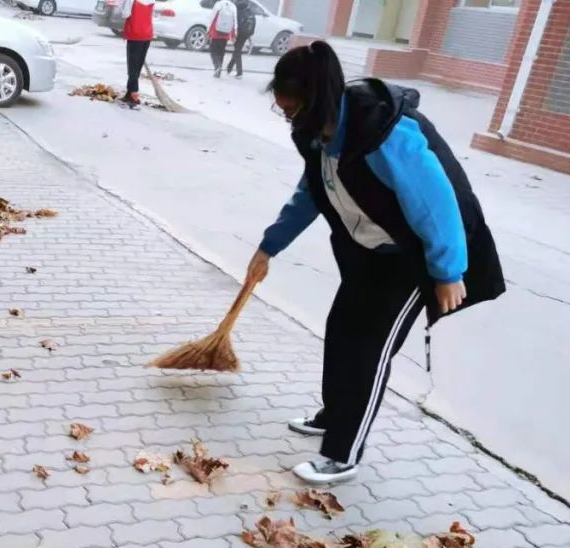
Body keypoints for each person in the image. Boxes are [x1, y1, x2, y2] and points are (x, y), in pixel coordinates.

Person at [248, 41, 504, 486]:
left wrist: (447, 272)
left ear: (315, 100)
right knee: (342, 329)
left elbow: (437, 205)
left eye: (290, 110)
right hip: (369, 254)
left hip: (412, 260)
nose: (287, 118)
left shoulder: (384, 133)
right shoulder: (317, 135)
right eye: (283, 111)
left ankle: (342, 455)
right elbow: (312, 192)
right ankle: (333, 415)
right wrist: (270, 246)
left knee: (371, 350)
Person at [121, 0, 155, 107]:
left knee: (132, 66)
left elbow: (125, 14)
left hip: (135, 34)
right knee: (138, 65)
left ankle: (133, 94)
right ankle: (129, 92)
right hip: (147, 34)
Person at [228, 0, 257, 78]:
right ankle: (229, 68)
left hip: (239, 32)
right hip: (246, 33)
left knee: (237, 51)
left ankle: (239, 72)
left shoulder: (237, 8)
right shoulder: (249, 9)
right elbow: (253, 23)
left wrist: (233, 33)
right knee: (237, 49)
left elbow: (234, 22)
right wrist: (249, 35)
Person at [208, 0, 237, 78]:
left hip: (216, 32)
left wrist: (208, 31)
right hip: (225, 34)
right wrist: (233, 35)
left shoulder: (219, 4)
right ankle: (218, 72)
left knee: (213, 51)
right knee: (221, 52)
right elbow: (234, 22)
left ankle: (217, 66)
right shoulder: (233, 6)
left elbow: (212, 18)